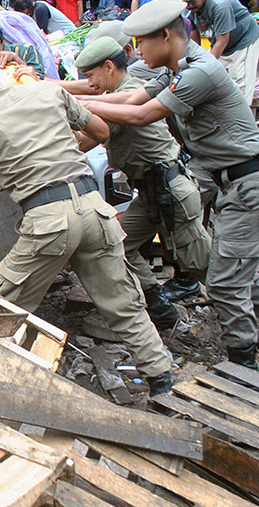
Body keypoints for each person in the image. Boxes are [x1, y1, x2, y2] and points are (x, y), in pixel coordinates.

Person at [0, 39, 174, 394]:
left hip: (48, 223)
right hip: (94, 210)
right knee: (123, 301)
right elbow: (102, 131)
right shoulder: (47, 92)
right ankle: (161, 378)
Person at [80, 0, 259, 367]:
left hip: (250, 184)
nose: (138, 53)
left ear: (165, 35)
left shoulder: (200, 72)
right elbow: (130, 97)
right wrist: (64, 94)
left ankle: (245, 365)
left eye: (142, 43)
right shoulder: (178, 69)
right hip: (233, 185)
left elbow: (142, 113)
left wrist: (74, 104)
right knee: (229, 268)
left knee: (224, 280)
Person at [71, 37, 212, 331]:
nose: (90, 83)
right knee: (119, 243)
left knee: (209, 268)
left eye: (91, 76)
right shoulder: (121, 92)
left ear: (108, 67)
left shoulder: (127, 95)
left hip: (170, 193)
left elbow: (87, 139)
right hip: (152, 195)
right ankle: (161, 310)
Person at [177, 0, 259, 104]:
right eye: (186, 2)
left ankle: (242, 121)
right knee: (218, 82)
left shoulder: (219, 5)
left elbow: (222, 41)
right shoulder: (187, 9)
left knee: (240, 84)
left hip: (244, 40)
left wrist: (204, 67)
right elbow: (194, 43)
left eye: (193, 0)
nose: (189, 5)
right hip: (219, 42)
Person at [9, 0, 75, 35]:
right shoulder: (32, 11)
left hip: (68, 34)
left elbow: (42, 33)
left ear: (26, 7)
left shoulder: (40, 9)